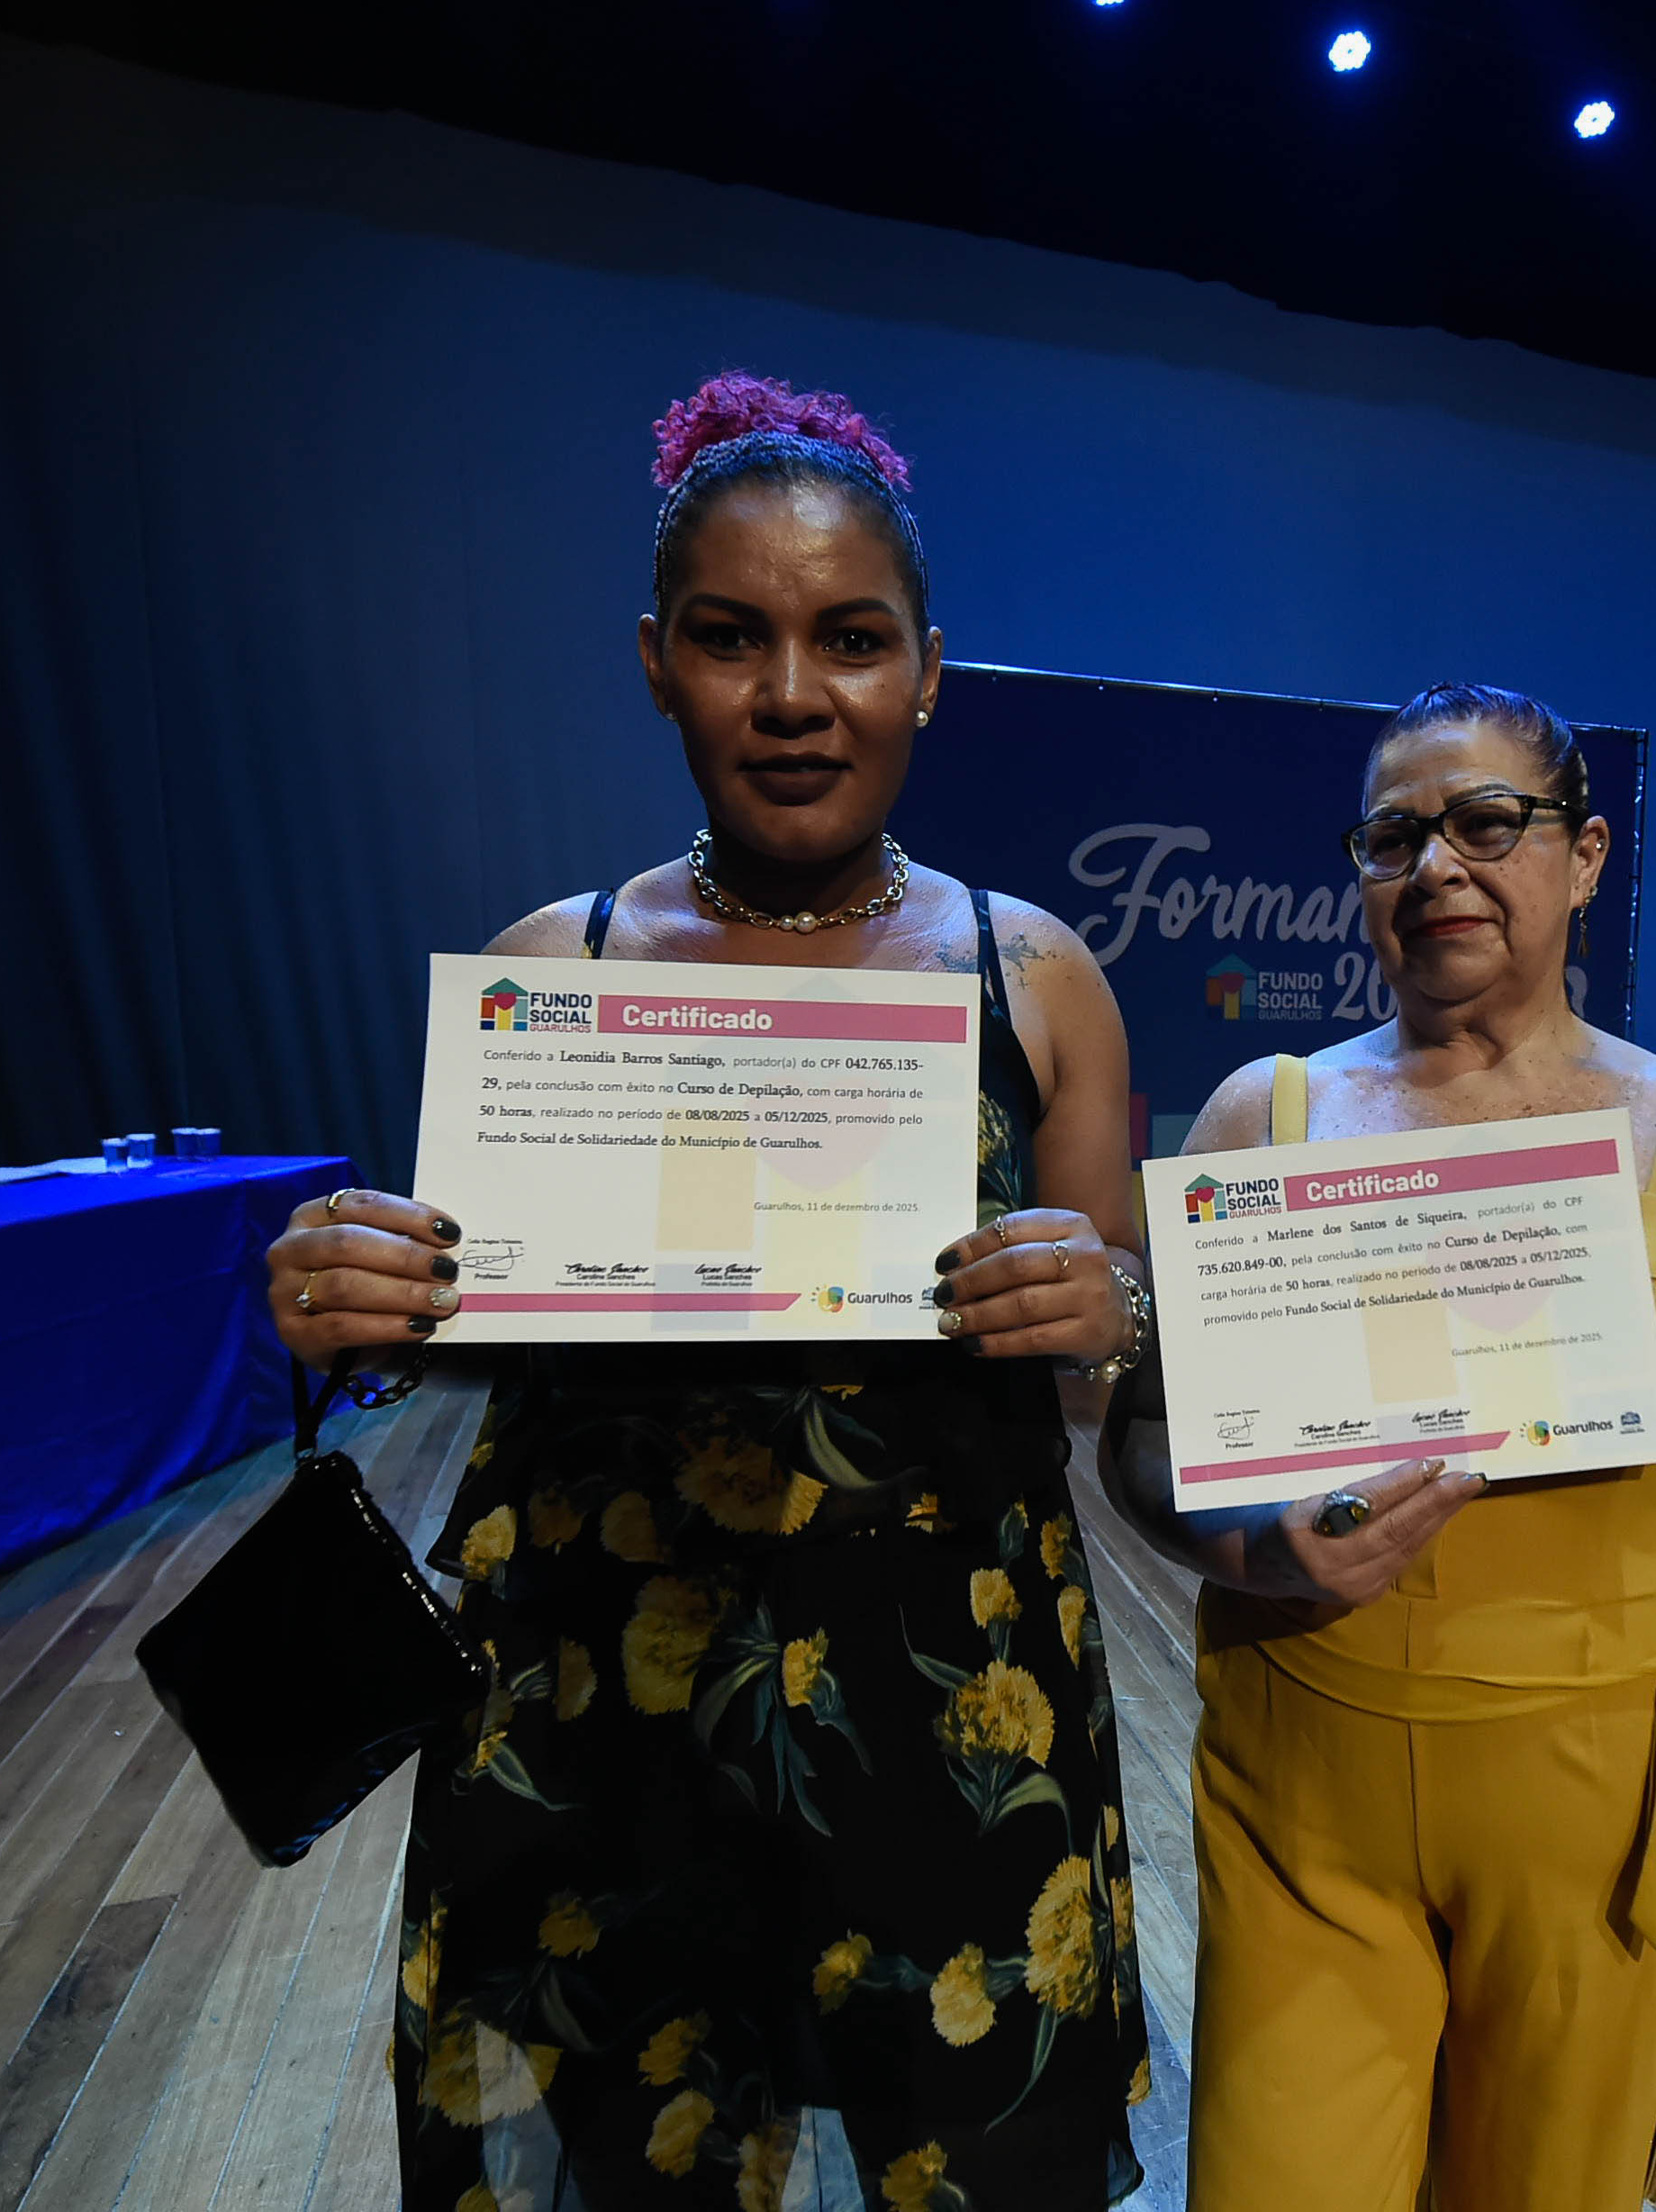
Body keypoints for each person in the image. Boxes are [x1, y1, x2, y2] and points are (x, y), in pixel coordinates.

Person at [264, 376, 1152, 2209]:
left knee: (976, 2153)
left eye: (853, 639)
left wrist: (1113, 1307)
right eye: (733, 637)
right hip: (597, 1699)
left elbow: (1105, 1371)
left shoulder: (1037, 976)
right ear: (656, 663)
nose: (794, 694)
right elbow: (453, 1331)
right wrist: (357, 1302)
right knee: (618, 2156)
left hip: (945, 1697)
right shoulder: (552, 967)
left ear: (928, 674)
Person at [1099, 684, 1656, 2212]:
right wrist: (1255, 1547)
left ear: (1586, 855)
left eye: (1489, 822)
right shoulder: (1262, 1117)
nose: (1438, 865)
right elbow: (1144, 1444)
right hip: (1308, 1791)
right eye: (1395, 837)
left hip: (1614, 1810)